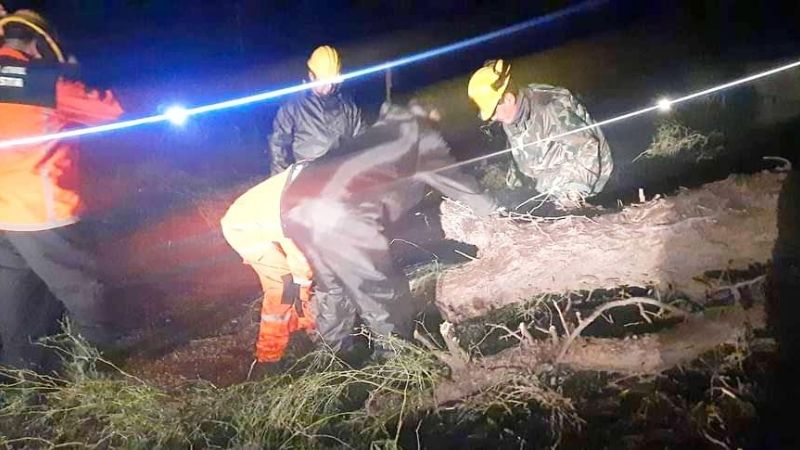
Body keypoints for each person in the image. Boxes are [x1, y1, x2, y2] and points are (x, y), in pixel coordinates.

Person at [280, 100, 496, 358]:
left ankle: (334, 359)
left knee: (333, 286)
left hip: (294, 204)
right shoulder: (421, 139)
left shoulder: (385, 130)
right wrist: (498, 214)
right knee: (384, 293)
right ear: (434, 116)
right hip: (338, 214)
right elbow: (463, 188)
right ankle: (396, 366)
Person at [0, 11, 124, 371]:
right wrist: (72, 74)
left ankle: (25, 373)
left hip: (3, 214)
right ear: (38, 45)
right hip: (42, 210)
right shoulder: (47, 81)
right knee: (83, 289)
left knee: (16, 298)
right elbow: (110, 111)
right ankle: (102, 366)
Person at [468, 59, 614, 209]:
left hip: (587, 180)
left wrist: (572, 196)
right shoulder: (511, 119)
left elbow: (588, 148)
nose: (492, 118)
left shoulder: (550, 108)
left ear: (509, 99)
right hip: (545, 183)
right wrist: (513, 189)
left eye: (493, 111)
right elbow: (520, 155)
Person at [220, 169, 315, 365]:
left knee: (295, 287)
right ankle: (269, 358)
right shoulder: (306, 203)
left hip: (267, 221)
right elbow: (302, 264)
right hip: (244, 229)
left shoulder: (317, 176)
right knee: (283, 288)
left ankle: (299, 329)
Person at [268, 45, 363, 176]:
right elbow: (279, 146)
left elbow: (362, 139)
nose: (329, 87)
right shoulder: (293, 106)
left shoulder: (347, 105)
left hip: (341, 177)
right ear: (311, 76)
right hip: (308, 180)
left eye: (332, 81)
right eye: (324, 82)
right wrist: (281, 182)